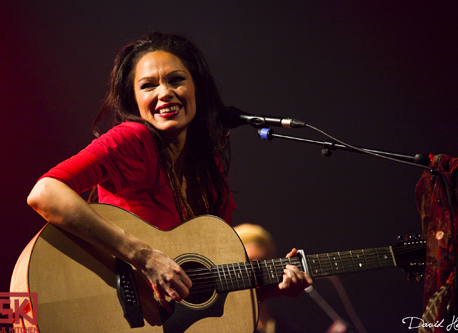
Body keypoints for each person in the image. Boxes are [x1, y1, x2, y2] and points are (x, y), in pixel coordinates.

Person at [27, 32, 312, 316]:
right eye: (148, 86)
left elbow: (208, 281)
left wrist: (273, 288)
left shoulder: (209, 168)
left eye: (176, 80)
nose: (164, 92)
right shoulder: (133, 140)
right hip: (103, 306)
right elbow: (45, 192)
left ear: (197, 88)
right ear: (134, 101)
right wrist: (144, 257)